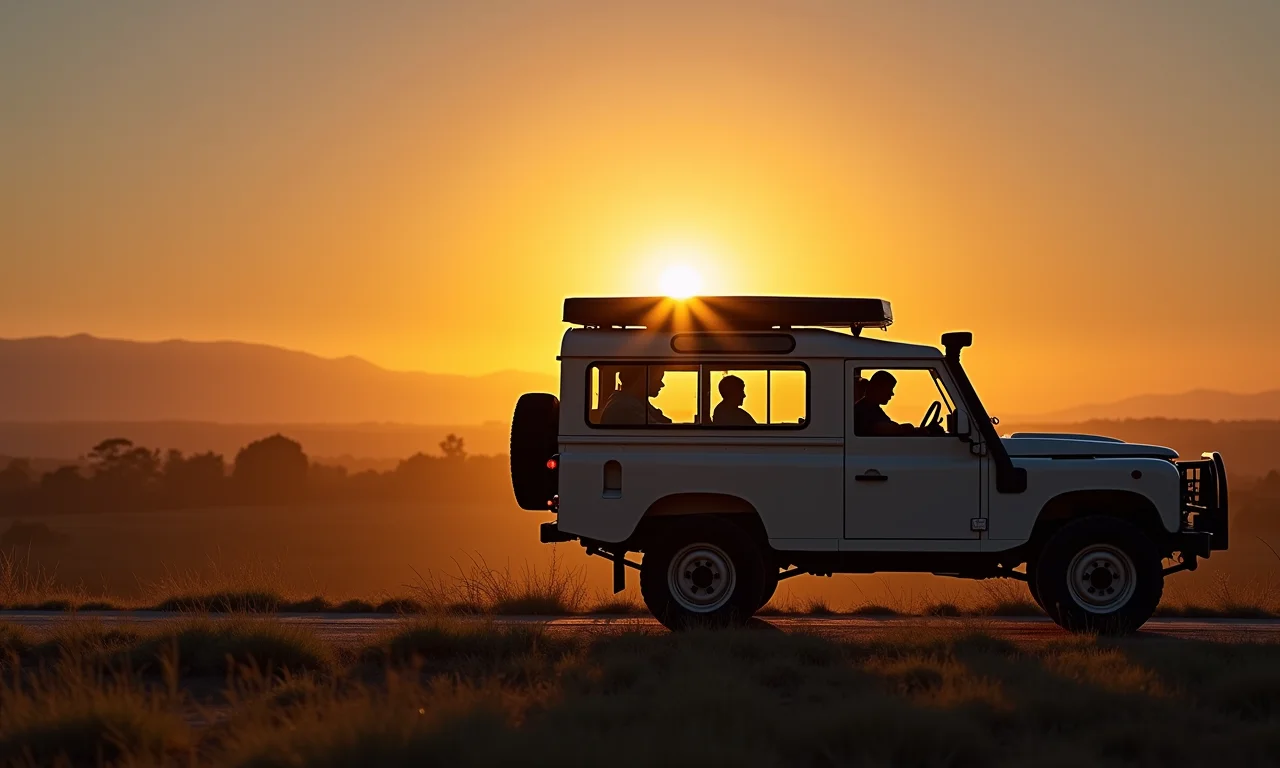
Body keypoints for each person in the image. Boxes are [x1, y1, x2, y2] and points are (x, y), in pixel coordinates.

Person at [853, 371, 942, 436]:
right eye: (889, 389)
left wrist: (921, 430)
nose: (892, 393)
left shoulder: (872, 408)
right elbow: (886, 429)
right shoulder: (864, 410)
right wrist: (914, 429)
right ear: (878, 389)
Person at [600, 366, 672, 425]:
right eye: (658, 379)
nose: (662, 384)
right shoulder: (623, 407)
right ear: (643, 378)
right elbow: (657, 432)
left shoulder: (639, 403)